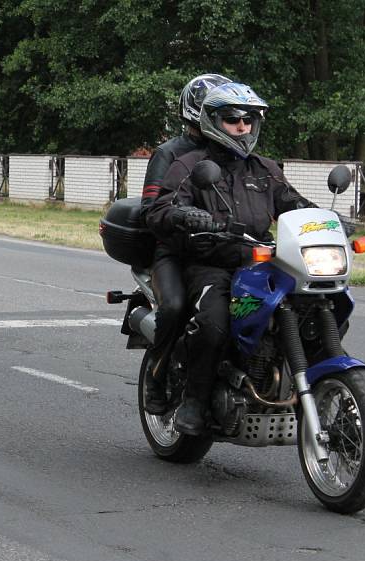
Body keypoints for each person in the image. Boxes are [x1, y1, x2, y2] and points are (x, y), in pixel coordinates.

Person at [145, 82, 313, 435]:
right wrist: (184, 214)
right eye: (233, 119)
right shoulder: (190, 165)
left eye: (249, 119)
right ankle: (194, 399)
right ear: (212, 121)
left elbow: (294, 205)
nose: (242, 126)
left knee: (312, 304)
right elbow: (159, 210)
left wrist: (330, 219)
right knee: (215, 321)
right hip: (209, 262)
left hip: (256, 262)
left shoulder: (265, 169)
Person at [139, 73, 231, 416]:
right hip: (173, 252)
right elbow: (152, 211)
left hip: (222, 250)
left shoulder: (228, 151)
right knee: (175, 307)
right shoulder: (169, 153)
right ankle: (156, 376)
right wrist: (185, 217)